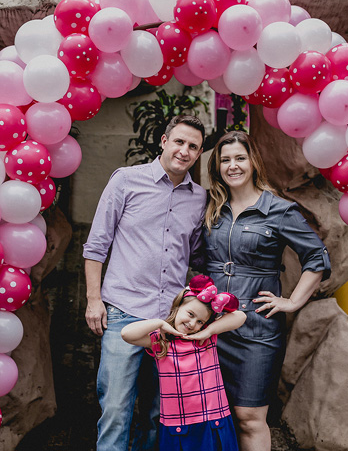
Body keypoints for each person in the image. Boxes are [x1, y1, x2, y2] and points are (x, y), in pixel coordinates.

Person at [200, 131, 331, 451]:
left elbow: (317, 257)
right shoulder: (211, 207)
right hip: (210, 324)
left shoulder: (279, 210)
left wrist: (293, 301)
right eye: (225, 160)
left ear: (253, 162)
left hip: (256, 327)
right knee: (211, 414)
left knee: (249, 416)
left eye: (239, 158)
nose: (232, 166)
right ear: (217, 166)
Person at [84, 114, 208, 451]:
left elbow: (194, 256)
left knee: (158, 412)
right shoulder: (126, 180)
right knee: (115, 408)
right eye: (179, 141)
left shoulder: (199, 199)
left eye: (193, 147)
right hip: (124, 312)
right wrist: (94, 300)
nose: (184, 150)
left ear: (198, 154)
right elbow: (96, 245)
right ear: (164, 141)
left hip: (171, 321)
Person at [121, 275, 247, 451]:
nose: (192, 323)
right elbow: (126, 334)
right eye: (190, 314)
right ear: (177, 306)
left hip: (213, 418)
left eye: (200, 321)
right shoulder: (160, 340)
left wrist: (208, 330)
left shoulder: (206, 339)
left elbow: (240, 316)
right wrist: (159, 323)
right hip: (178, 423)